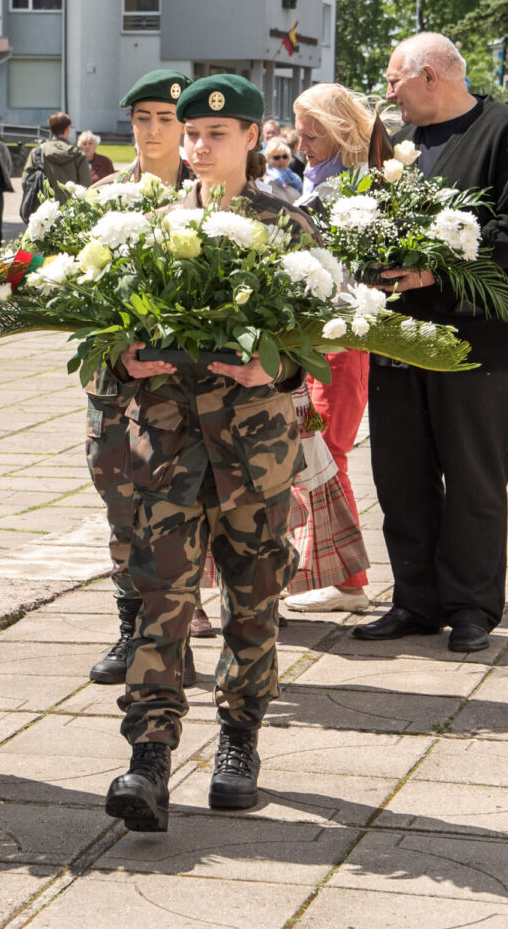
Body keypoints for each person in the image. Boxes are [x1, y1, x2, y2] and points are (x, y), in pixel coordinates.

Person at [105, 73, 314, 832]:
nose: (197, 146)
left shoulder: (289, 230)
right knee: (161, 606)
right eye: (190, 134)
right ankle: (148, 759)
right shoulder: (141, 225)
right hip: (164, 448)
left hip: (253, 458)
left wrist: (277, 366)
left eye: (215, 135)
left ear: (252, 139)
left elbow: (320, 340)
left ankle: (239, 742)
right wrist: (121, 362)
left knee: (252, 604)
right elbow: (101, 337)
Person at [352, 32, 508, 653]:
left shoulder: (507, 133)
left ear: (431, 76)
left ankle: (471, 607)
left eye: (394, 81)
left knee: (472, 478)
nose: (388, 94)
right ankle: (415, 601)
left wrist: (439, 267)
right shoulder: (395, 143)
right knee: (400, 475)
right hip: (401, 339)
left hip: (478, 344)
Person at [85, 68, 201, 688]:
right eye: (142, 119)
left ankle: (176, 634)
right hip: (114, 388)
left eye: (166, 118)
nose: (153, 132)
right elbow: (76, 300)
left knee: (185, 515)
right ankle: (130, 629)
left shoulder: (212, 196)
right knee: (120, 508)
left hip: (187, 394)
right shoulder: (104, 198)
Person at [285, 80, 384, 615]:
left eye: (310, 137)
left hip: (340, 341)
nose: (302, 147)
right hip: (321, 340)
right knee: (316, 454)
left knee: (328, 454)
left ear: (340, 131)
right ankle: (330, 572)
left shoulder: (349, 190)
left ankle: (348, 581)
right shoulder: (324, 179)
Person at [22, 111, 92, 190]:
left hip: (45, 201)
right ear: (68, 129)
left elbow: (26, 181)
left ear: (50, 129)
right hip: (72, 201)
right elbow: (86, 183)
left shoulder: (37, 152)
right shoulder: (78, 153)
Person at [259, 137, 302, 202]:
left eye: (285, 156)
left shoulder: (291, 175)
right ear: (269, 159)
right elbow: (285, 207)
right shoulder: (272, 181)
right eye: (277, 158)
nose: (281, 160)